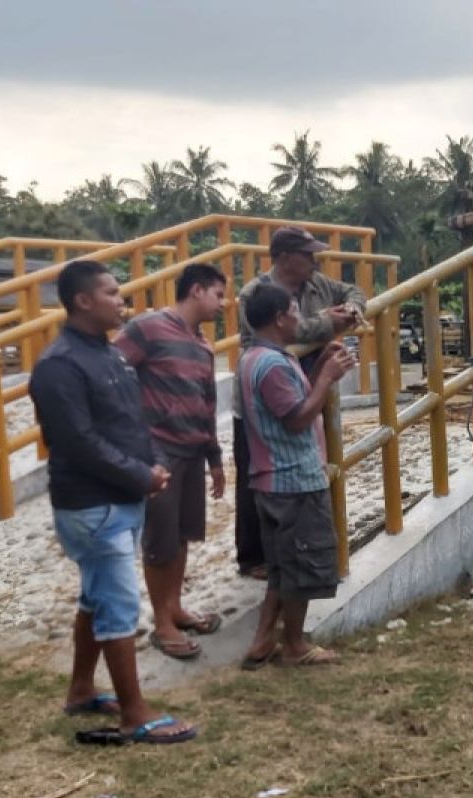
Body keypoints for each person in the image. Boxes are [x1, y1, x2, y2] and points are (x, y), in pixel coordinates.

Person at [29, 259, 196, 744]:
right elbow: (76, 442)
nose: (121, 300)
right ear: (83, 300)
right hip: (93, 506)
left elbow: (131, 422)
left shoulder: (111, 356)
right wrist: (140, 475)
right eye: (112, 292)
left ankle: (82, 690)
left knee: (95, 598)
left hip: (120, 497)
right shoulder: (60, 365)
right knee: (118, 606)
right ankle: (135, 714)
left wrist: (155, 462)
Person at [233, 226, 365, 580]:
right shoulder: (254, 295)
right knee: (256, 479)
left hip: (304, 387)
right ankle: (256, 557)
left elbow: (352, 290)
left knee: (306, 462)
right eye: (307, 254)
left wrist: (352, 307)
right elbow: (259, 339)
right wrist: (326, 324)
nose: (314, 260)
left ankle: (295, 551)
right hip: (266, 399)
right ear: (285, 257)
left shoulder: (318, 284)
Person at [237, 284, 356, 669]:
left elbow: (295, 399)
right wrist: (326, 382)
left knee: (282, 566)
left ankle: (261, 642)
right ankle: (294, 645)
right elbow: (297, 418)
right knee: (301, 567)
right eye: (294, 312)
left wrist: (322, 365)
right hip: (292, 481)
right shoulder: (271, 365)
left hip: (274, 480)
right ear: (278, 318)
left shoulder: (259, 357)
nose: (300, 319)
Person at [114, 262, 227, 660]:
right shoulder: (147, 328)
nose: (222, 304)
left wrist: (214, 458)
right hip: (156, 453)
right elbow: (111, 374)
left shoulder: (202, 345)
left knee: (181, 534)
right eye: (218, 294)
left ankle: (175, 607)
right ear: (196, 290)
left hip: (193, 452)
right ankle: (162, 623)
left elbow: (208, 404)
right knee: (159, 540)